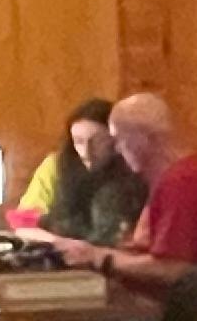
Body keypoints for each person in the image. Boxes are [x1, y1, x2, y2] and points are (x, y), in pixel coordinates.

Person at [45, 92, 197, 299]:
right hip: (157, 303)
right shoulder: (171, 177)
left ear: (144, 138)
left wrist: (99, 257)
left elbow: (171, 268)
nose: (117, 149)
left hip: (188, 309)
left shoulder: (182, 183)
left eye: (119, 139)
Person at [18, 97, 144, 247]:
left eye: (98, 141)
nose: (86, 152)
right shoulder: (54, 166)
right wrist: (64, 244)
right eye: (78, 141)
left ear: (115, 140)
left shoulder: (135, 168)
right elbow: (23, 225)